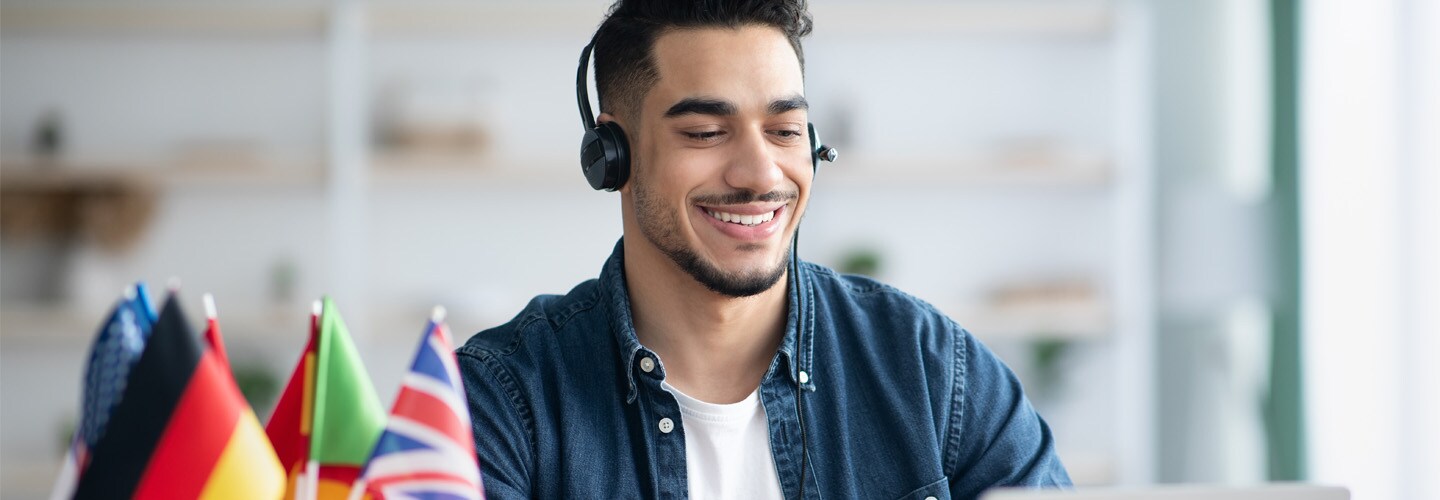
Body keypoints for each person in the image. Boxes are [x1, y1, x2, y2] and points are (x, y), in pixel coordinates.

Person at [457, 1, 1071, 498]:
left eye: (783, 132)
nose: (759, 173)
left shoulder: (933, 369)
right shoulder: (501, 401)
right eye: (704, 132)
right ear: (611, 156)